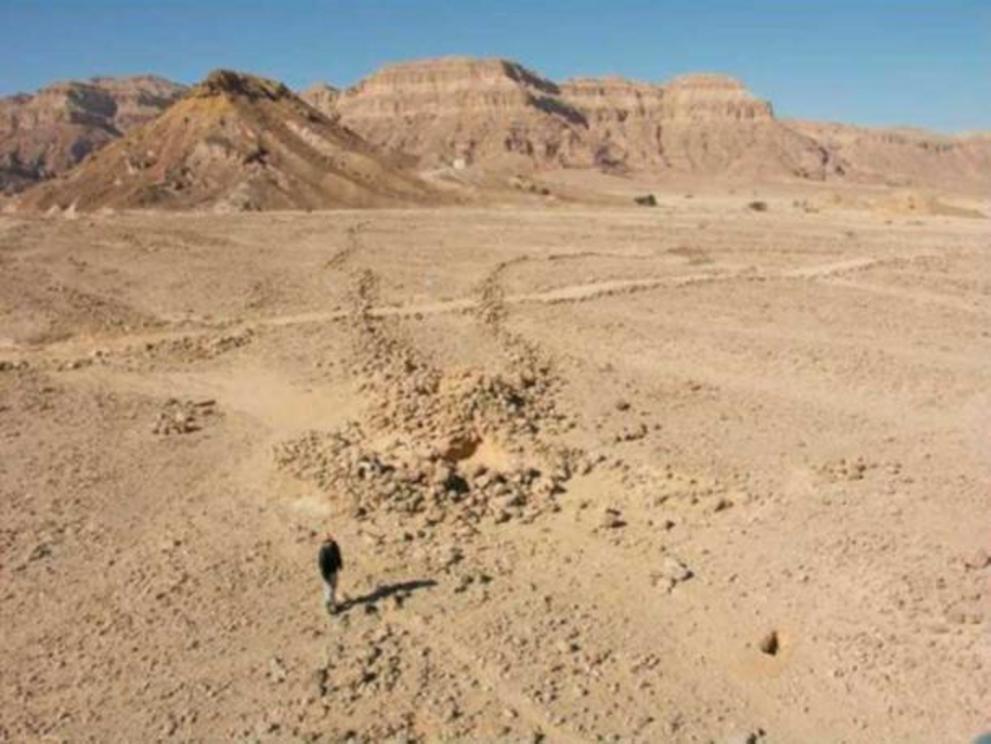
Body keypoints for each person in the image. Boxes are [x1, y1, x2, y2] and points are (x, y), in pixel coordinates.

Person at [318, 533, 343, 615]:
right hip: (328, 573)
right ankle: (329, 607)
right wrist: (325, 577)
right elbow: (322, 567)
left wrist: (340, 565)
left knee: (334, 587)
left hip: (334, 570)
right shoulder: (323, 552)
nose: (329, 542)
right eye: (327, 541)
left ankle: (334, 604)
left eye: (329, 540)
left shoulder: (334, 546)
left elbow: (338, 555)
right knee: (329, 590)